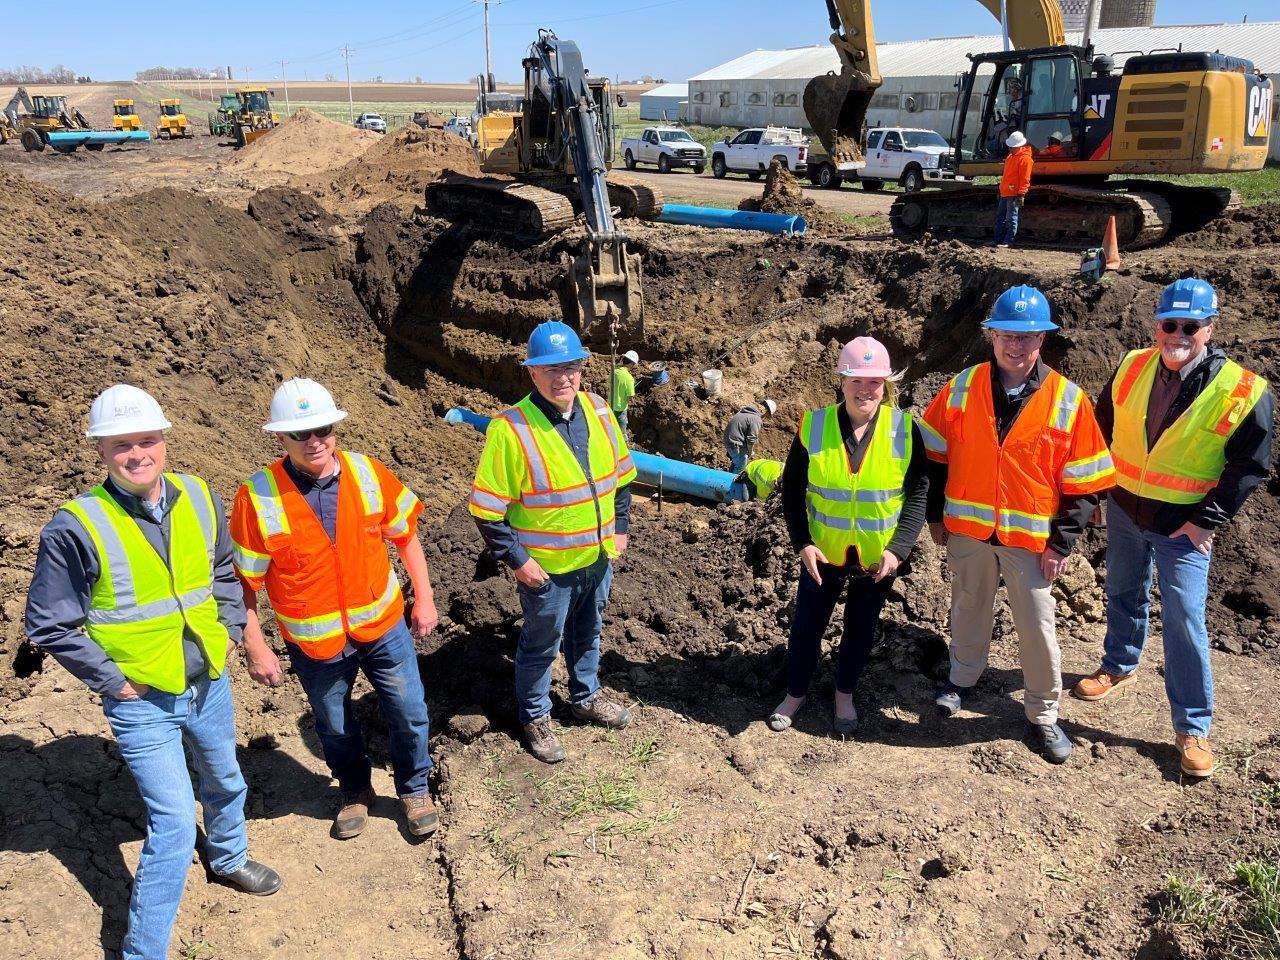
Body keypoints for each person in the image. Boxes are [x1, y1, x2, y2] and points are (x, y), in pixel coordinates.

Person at [25, 384, 280, 960]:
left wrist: (231, 632)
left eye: (147, 440)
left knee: (226, 780)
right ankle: (144, 952)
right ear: (101, 451)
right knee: (169, 828)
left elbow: (221, 570)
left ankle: (229, 857)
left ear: (164, 441)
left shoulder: (197, 495)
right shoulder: (77, 527)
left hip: (207, 681)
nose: (138, 454)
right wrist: (110, 679)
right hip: (141, 699)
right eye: (122, 445)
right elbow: (47, 622)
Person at [1074, 279, 1273, 778]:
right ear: (1156, 325)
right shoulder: (1131, 365)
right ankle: (1118, 662)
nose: (1177, 334)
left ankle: (1193, 727)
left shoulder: (1242, 390)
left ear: (1210, 328)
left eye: (1190, 326)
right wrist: (1098, 491)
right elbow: (1101, 427)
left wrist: (1205, 521)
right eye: (1169, 325)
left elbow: (1248, 467)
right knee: (1122, 588)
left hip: (1182, 525)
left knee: (1185, 619)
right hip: (1124, 509)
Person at [230, 378, 440, 841]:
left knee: (408, 710)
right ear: (279, 438)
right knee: (334, 724)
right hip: (315, 643)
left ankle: (414, 789)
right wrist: (254, 645)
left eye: (322, 429)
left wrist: (423, 597)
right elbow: (244, 582)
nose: (314, 442)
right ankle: (355, 791)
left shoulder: (367, 473)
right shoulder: (257, 497)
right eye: (300, 434)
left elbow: (406, 537)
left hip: (383, 626)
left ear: (335, 428)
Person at [919, 286, 1116, 764]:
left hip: (1033, 542)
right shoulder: (961, 387)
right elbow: (932, 455)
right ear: (991, 336)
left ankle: (1043, 714)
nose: (1016, 345)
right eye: (1008, 334)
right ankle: (962, 679)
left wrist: (1061, 545)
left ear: (1042, 341)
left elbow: (1086, 482)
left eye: (1027, 337)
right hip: (967, 530)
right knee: (968, 606)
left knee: (1036, 625)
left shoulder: (1068, 400)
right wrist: (934, 517)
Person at [468, 321, 638, 763]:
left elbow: (622, 478)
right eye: (552, 369)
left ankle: (585, 698)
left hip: (598, 558)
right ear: (532, 373)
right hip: (548, 571)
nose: (565, 377)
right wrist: (518, 561)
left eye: (573, 367)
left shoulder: (599, 410)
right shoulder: (510, 430)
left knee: (589, 632)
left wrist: (619, 529)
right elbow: (487, 509)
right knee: (542, 644)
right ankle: (536, 715)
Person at [769, 338, 929, 735]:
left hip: (878, 558)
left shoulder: (905, 429)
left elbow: (919, 492)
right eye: (857, 380)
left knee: (861, 629)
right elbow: (791, 489)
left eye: (874, 381)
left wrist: (899, 549)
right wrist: (802, 542)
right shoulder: (815, 425)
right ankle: (795, 694)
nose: (865, 390)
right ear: (842, 380)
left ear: (886, 384)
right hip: (823, 553)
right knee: (806, 627)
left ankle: (844, 695)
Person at [994, 131, 1033, 248]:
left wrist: (1021, 194)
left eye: (1013, 147)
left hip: (1014, 193)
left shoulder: (1025, 159)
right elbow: (1007, 175)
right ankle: (997, 240)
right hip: (1005, 192)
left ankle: (1009, 241)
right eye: (1010, 147)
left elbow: (1025, 178)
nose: (1010, 149)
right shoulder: (1010, 157)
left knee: (1011, 218)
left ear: (1020, 146)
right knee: (1000, 217)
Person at [724, 399, 776, 474]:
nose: (765, 417)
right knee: (741, 465)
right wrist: (750, 452)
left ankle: (730, 473)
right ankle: (731, 483)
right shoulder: (756, 419)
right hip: (734, 443)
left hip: (730, 439)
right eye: (767, 415)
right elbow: (751, 439)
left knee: (737, 461)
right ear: (767, 411)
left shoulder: (746, 411)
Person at [611, 350, 640, 437]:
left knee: (612, 428)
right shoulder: (629, 378)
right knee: (622, 431)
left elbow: (610, 384)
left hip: (610, 406)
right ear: (631, 364)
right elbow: (630, 396)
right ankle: (623, 445)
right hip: (620, 408)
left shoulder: (614, 371)